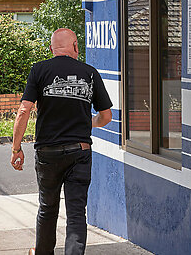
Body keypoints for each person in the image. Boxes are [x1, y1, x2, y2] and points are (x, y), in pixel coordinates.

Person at [10, 27, 113, 255]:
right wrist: (89, 122)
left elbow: (24, 110)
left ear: (51, 49)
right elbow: (106, 116)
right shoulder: (90, 73)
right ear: (76, 47)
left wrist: (16, 148)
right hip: (80, 152)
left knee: (48, 208)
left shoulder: (39, 70)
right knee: (76, 212)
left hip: (47, 153)